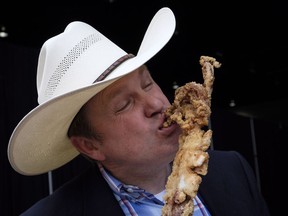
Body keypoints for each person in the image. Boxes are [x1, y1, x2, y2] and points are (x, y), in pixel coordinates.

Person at [7, 7, 270, 216]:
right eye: (125, 104)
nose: (157, 104)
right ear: (89, 145)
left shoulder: (232, 171)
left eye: (148, 83)